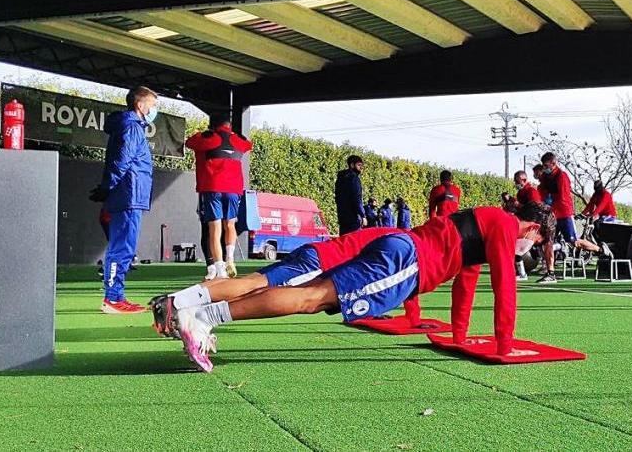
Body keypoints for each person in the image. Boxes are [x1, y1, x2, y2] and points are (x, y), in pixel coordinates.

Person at [169, 202, 555, 372]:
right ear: (533, 229)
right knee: (312, 298)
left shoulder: (485, 221)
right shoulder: (506, 227)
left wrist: (460, 337)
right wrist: (506, 347)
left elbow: (465, 284)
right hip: (407, 261)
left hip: (402, 251)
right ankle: (201, 316)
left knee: (313, 295)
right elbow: (506, 287)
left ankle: (196, 311)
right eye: (535, 244)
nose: (529, 250)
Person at [151, 227, 424, 337]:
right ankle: (181, 305)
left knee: (253, 282)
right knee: (254, 285)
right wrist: (414, 318)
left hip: (314, 253)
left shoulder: (398, 236)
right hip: (319, 262)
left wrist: (414, 316)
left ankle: (177, 302)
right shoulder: (405, 246)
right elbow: (412, 285)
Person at [89, 85, 157, 314]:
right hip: (129, 194)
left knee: (122, 247)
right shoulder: (132, 127)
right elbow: (122, 161)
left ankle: (115, 296)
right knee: (122, 248)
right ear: (140, 105)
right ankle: (113, 299)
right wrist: (107, 187)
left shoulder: (129, 126)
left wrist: (107, 188)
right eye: (152, 105)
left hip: (129, 194)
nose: (154, 109)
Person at [185, 113, 252, 280]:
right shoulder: (238, 140)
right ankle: (230, 257)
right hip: (234, 189)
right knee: (230, 225)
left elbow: (189, 142)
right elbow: (248, 144)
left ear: (212, 126)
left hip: (212, 188)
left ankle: (220, 268)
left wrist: (205, 133)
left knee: (214, 228)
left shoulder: (207, 138)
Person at [535, 152, 575, 284]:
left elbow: (563, 199)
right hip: (552, 215)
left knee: (573, 241)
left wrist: (550, 208)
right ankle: (550, 273)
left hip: (564, 213)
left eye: (546, 165)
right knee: (547, 242)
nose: (544, 168)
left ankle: (601, 250)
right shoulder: (546, 177)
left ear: (553, 164)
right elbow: (542, 191)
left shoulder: (562, 177)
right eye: (543, 165)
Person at [334, 155, 364, 235]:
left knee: (343, 242)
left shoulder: (340, 178)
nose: (361, 168)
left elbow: (337, 197)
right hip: (353, 218)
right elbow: (357, 198)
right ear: (352, 165)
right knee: (354, 243)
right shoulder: (354, 179)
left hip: (342, 217)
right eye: (359, 165)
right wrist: (362, 215)